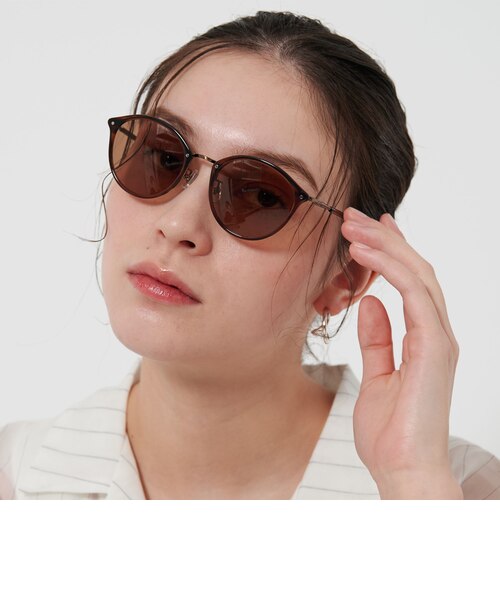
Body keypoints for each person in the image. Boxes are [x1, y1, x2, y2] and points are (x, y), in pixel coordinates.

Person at [1, 10, 499, 500]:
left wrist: (410, 480)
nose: (178, 225)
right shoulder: (15, 481)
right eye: (165, 157)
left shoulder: (461, 493)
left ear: (343, 276)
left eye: (261, 196)